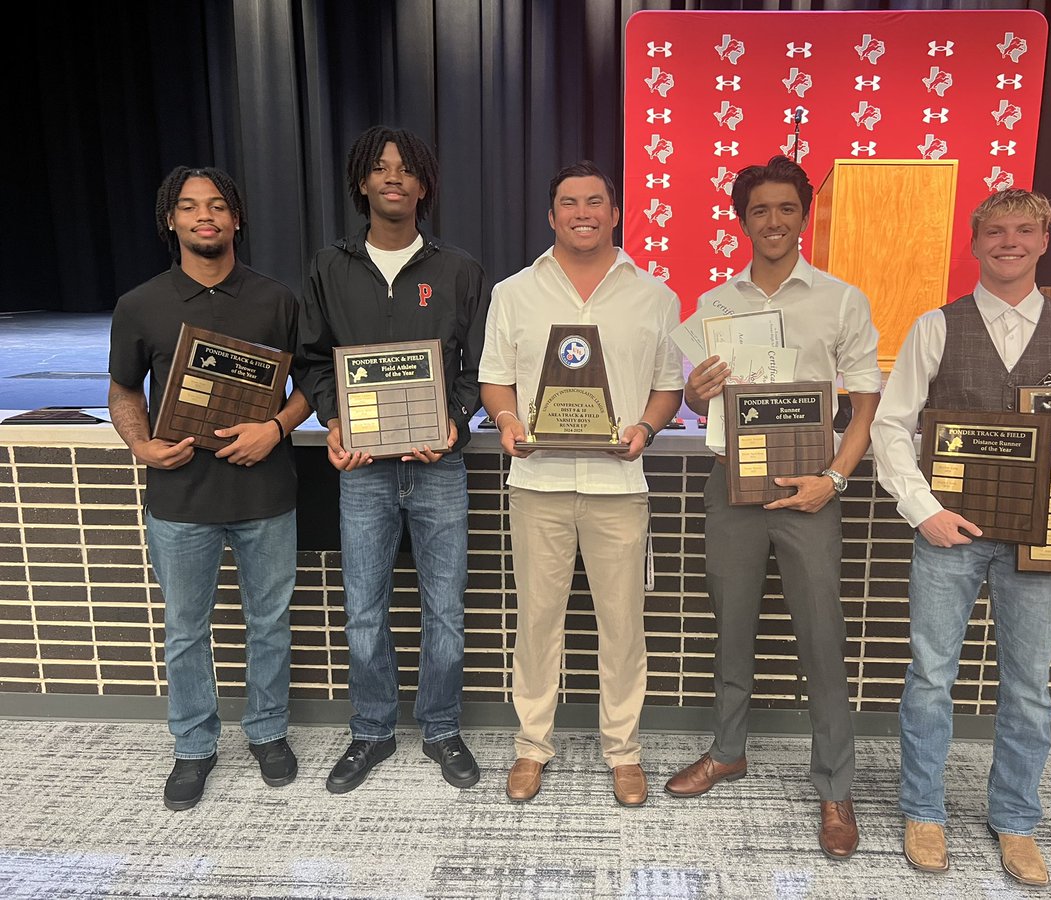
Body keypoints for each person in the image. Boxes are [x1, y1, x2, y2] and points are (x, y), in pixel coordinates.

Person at [872, 189, 1051, 886]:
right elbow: (889, 427)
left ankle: (1017, 821)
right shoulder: (934, 327)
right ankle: (922, 811)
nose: (1009, 241)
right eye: (995, 231)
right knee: (931, 678)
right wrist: (923, 509)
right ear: (974, 244)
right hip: (950, 536)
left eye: (1023, 230)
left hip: (1041, 543)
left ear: (1043, 240)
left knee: (1029, 688)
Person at [663, 156, 880, 859]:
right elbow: (698, 403)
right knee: (732, 626)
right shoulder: (716, 305)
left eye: (787, 208)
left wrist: (837, 480)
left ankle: (834, 786)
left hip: (810, 492)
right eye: (760, 211)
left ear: (804, 215)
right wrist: (696, 392)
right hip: (733, 488)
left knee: (822, 638)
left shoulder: (841, 299)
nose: (775, 221)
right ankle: (728, 751)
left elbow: (867, 402)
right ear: (742, 220)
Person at [478, 161, 683, 807]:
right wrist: (508, 420)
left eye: (596, 201)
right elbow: (494, 377)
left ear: (616, 212)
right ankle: (532, 747)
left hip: (619, 486)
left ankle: (623, 752)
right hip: (537, 481)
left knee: (622, 626)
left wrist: (646, 430)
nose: (583, 212)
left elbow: (668, 388)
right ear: (551, 214)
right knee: (538, 623)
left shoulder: (656, 295)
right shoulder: (515, 292)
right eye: (569, 202)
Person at [109, 166, 310, 810]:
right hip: (180, 500)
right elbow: (122, 392)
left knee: (269, 622)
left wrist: (275, 428)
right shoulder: (140, 304)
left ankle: (268, 732)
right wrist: (140, 445)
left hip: (264, 495)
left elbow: (310, 385)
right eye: (191, 207)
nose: (206, 217)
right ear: (172, 221)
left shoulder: (276, 299)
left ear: (236, 219)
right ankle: (193, 746)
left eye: (218, 206)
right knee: (186, 629)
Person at [294, 126, 489, 793]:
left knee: (445, 607)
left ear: (424, 184)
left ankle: (441, 728)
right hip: (364, 471)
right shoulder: (327, 267)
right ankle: (371, 730)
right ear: (361, 183)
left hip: (439, 468)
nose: (393, 178)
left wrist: (456, 426)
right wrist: (333, 415)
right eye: (379, 168)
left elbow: (476, 370)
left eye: (405, 169)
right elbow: (313, 359)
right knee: (364, 608)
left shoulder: (458, 268)